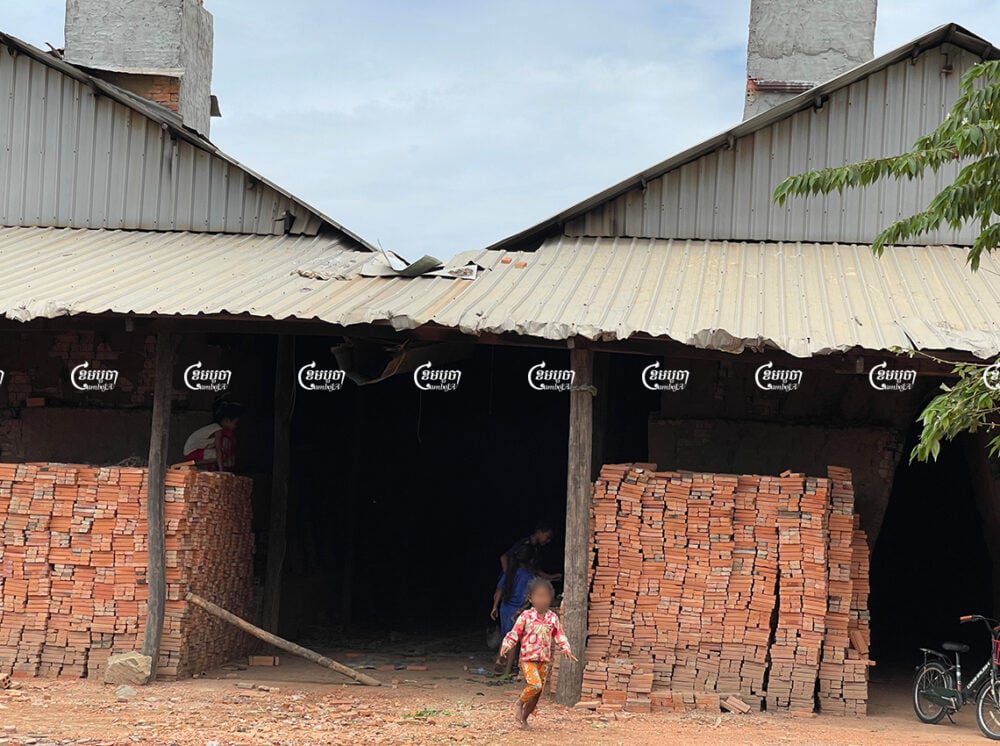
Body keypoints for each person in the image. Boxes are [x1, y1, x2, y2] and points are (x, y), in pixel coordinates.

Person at [499, 577, 577, 728]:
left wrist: (566, 648)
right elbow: (515, 632)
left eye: (546, 596)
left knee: (537, 693)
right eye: (539, 596)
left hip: (544, 660)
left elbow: (559, 635)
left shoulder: (552, 618)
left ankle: (524, 719)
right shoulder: (526, 616)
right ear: (530, 598)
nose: (542, 600)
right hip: (528, 659)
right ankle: (519, 702)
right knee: (535, 685)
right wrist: (507, 643)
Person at [182, 402, 242, 471]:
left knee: (220, 455)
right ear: (227, 421)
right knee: (221, 456)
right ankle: (191, 464)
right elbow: (218, 450)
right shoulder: (218, 429)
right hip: (192, 452)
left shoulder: (218, 429)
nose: (236, 426)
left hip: (194, 451)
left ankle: (193, 464)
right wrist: (221, 470)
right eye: (235, 423)